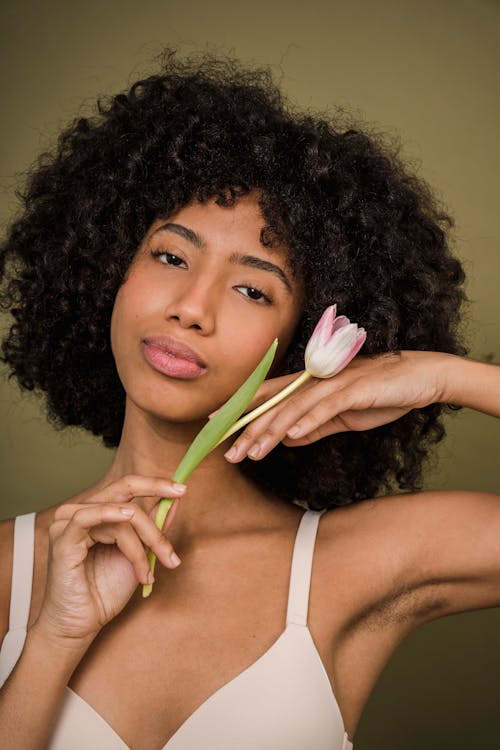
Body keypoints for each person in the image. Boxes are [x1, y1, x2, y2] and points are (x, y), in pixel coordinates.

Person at [0, 48, 498, 750]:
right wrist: (53, 637)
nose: (191, 308)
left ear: (300, 338)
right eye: (171, 256)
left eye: (252, 288)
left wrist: (444, 377)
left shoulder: (354, 565)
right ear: (106, 269)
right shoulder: (9, 570)